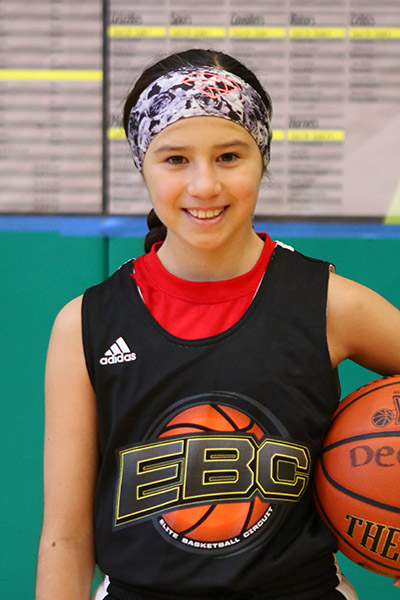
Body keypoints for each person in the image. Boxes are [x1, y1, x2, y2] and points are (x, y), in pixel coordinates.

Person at [35, 48, 400, 600]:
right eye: (175, 159)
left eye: (229, 156)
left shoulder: (328, 304)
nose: (204, 185)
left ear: (262, 159)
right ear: (142, 165)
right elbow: (65, 537)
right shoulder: (86, 324)